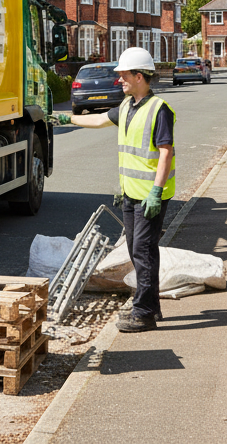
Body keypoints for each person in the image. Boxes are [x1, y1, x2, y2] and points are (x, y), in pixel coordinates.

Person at [56, 47, 174, 333]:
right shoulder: (126, 107)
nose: (119, 79)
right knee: (139, 252)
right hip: (131, 193)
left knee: (142, 252)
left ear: (139, 76)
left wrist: (156, 192)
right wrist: (62, 119)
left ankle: (143, 312)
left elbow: (166, 152)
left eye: (123, 75)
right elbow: (97, 120)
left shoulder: (159, 110)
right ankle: (152, 305)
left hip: (149, 196)